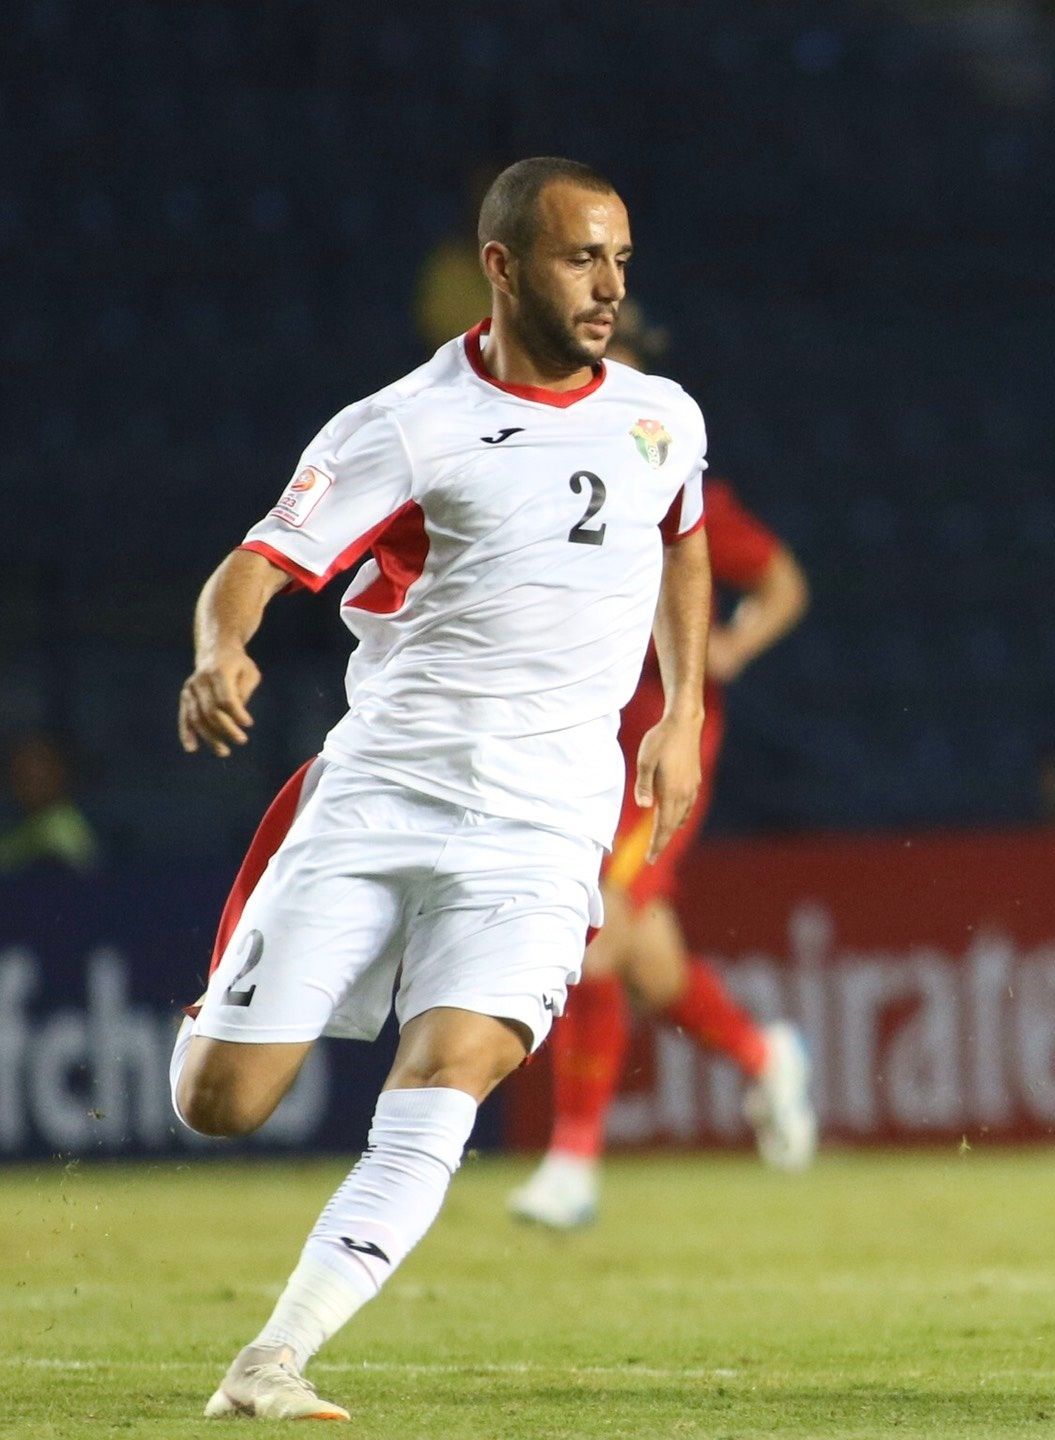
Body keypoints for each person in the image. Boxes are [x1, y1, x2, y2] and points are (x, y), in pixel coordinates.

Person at [172, 157, 712, 1421]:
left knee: (447, 1082)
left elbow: (679, 536)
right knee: (220, 1105)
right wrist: (219, 650)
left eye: (622, 260)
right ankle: (233, 981)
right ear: (503, 265)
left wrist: (680, 708)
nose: (609, 287)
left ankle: (274, 1359)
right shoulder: (406, 424)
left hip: (544, 823)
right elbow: (253, 564)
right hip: (384, 795)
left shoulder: (662, 416)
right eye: (583, 259)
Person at [509, 307, 817, 1230]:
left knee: (597, 936)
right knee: (647, 960)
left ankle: (571, 1164)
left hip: (657, 749)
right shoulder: (550, 478)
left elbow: (784, 581)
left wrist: (728, 650)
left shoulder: (681, 492)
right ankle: (767, 1059)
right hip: (578, 742)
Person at [0, 733, 101, 874]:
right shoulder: (20, 824)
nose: (31, 787)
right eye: (23, 777)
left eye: (39, 778)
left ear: (59, 773)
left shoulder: (63, 828)